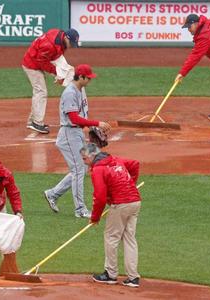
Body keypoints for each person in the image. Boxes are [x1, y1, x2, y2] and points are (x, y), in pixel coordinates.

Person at [43, 64, 111, 218]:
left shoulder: (81, 89)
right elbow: (73, 118)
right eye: (88, 78)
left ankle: (52, 194)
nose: (90, 80)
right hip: (68, 134)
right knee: (79, 170)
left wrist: (90, 129)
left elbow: (81, 116)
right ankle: (80, 210)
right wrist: (96, 124)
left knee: (84, 167)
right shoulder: (69, 93)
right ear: (81, 77)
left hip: (78, 133)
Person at [80, 143, 142, 288]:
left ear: (92, 156)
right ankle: (133, 278)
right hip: (135, 202)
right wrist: (131, 184)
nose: (83, 161)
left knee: (111, 238)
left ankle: (110, 274)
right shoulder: (115, 159)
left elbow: (100, 197)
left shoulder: (98, 169)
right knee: (129, 239)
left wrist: (95, 218)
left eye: (84, 158)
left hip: (120, 204)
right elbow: (135, 164)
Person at [22, 28, 80, 134]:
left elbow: (55, 57)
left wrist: (61, 74)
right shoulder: (49, 45)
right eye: (71, 43)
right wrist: (56, 73)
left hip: (40, 60)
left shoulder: (60, 38)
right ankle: (36, 122)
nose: (71, 46)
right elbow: (42, 62)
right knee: (41, 91)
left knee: (68, 71)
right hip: (31, 65)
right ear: (66, 37)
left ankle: (33, 121)